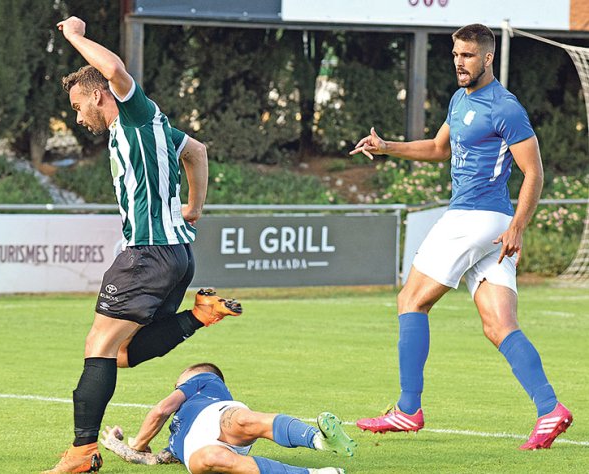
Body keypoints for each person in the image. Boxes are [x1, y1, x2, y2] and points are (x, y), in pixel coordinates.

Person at [349, 23, 572, 449]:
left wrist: (518, 226)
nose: (459, 62)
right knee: (499, 324)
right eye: (455, 55)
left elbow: (534, 172)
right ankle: (550, 409)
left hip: (474, 219)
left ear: (488, 58)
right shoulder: (459, 99)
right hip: (489, 228)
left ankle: (408, 409)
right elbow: (439, 148)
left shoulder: (505, 108)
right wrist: (388, 147)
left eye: (467, 55)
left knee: (410, 300)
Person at [44, 16, 243, 473]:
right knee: (121, 354)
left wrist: (74, 36)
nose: (78, 117)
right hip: (177, 255)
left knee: (98, 346)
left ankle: (81, 454)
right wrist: (194, 207)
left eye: (77, 106)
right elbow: (197, 151)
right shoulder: (154, 130)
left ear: (98, 96)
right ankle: (199, 315)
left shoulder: (135, 114)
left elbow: (114, 70)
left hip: (146, 254)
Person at [99, 362, 356, 474]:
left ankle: (319, 440)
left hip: (217, 416)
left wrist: (138, 442)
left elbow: (161, 410)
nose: (177, 386)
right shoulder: (174, 441)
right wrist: (115, 445)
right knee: (215, 457)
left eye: (179, 382)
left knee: (243, 419)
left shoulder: (205, 380)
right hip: (196, 450)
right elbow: (152, 460)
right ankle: (313, 472)